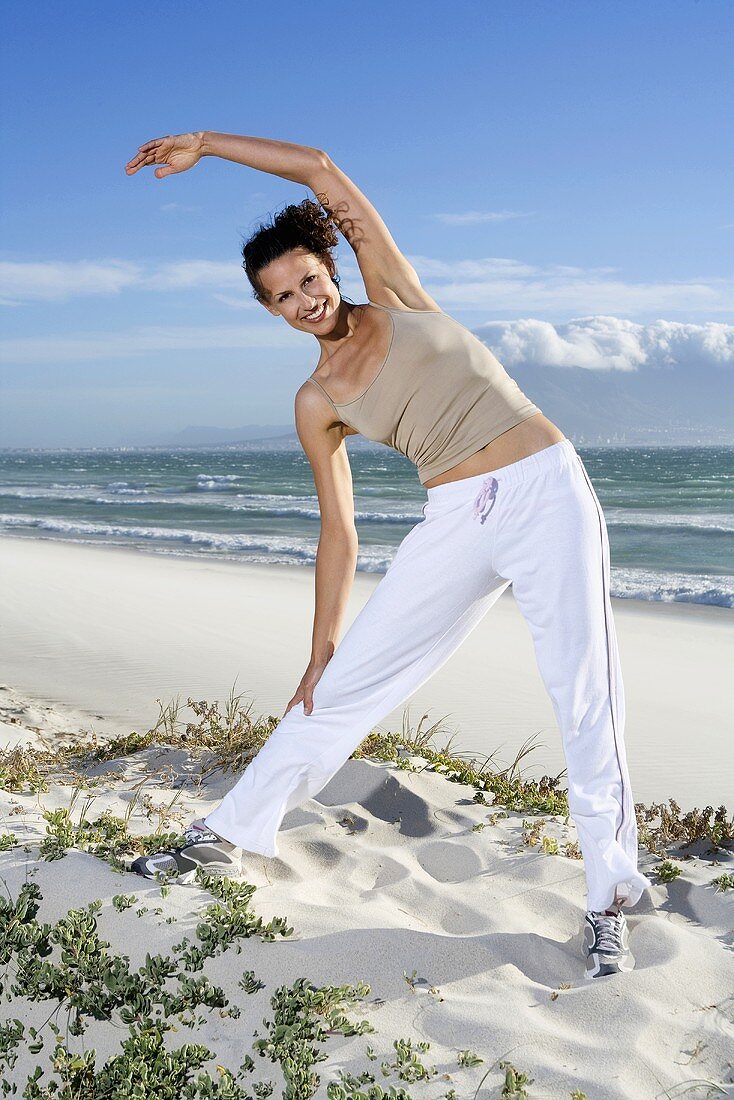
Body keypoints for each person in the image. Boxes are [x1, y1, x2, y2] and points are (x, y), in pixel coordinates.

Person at [124, 131, 651, 978]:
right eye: (283, 296)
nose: (305, 299)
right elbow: (340, 527)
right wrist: (320, 643)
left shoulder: (396, 295)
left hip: (547, 490)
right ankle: (223, 835)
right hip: (455, 516)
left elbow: (320, 169)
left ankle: (608, 901)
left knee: (584, 696)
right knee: (333, 689)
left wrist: (208, 147)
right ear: (269, 312)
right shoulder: (316, 398)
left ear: (330, 265)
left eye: (309, 278)